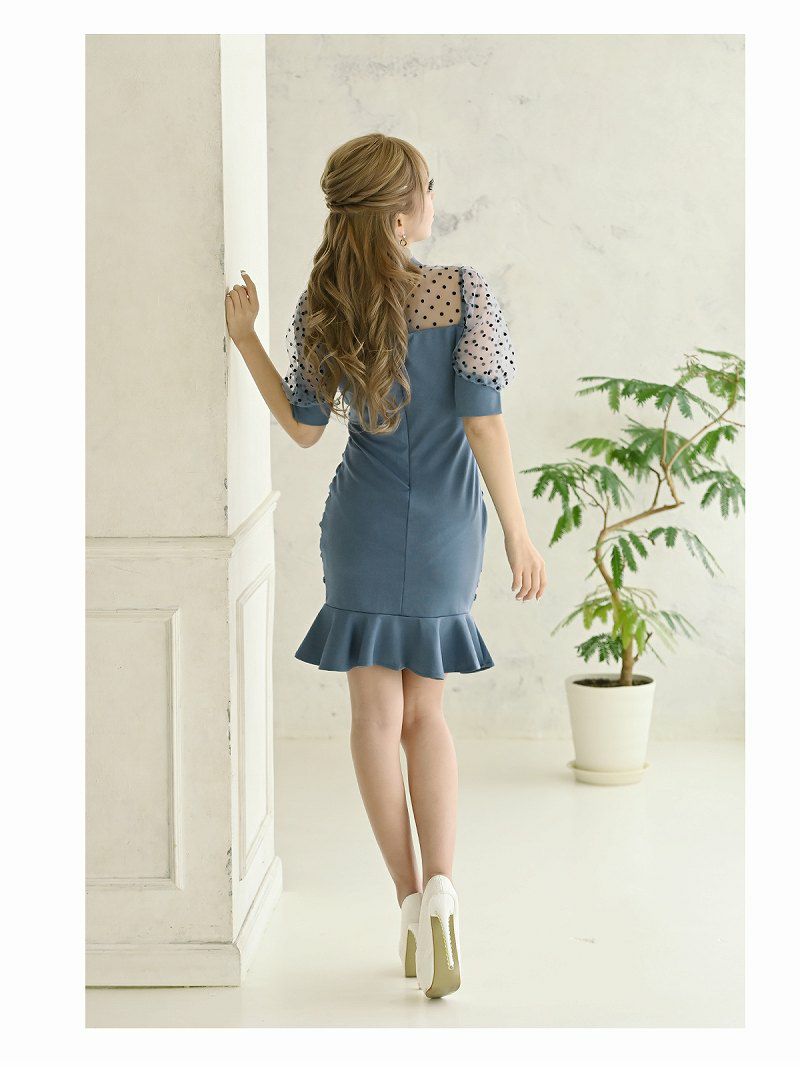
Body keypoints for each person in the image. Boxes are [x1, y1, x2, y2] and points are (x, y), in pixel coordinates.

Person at [225, 133, 547, 998]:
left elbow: (304, 429)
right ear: (401, 214)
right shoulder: (464, 292)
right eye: (426, 188)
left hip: (360, 523)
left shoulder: (326, 302)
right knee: (425, 716)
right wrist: (517, 533)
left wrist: (246, 339)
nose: (434, 200)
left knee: (374, 717)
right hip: (447, 527)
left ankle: (408, 901)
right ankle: (444, 889)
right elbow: (484, 421)